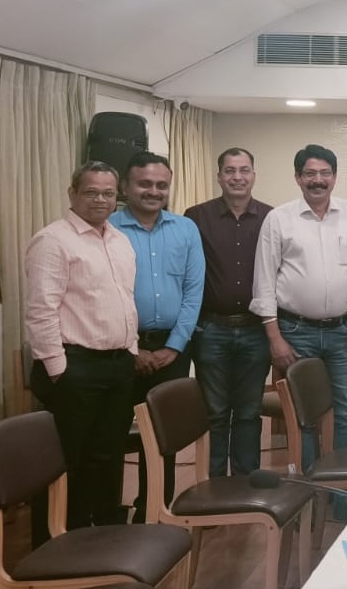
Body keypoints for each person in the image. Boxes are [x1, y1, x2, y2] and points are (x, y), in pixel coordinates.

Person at [25, 161, 138, 532]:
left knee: (107, 456)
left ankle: (102, 534)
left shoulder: (119, 240)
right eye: (91, 192)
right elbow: (41, 311)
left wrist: (132, 349)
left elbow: (125, 299)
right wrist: (60, 371)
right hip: (74, 367)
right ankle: (55, 540)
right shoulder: (53, 241)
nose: (100, 200)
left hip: (118, 366)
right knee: (64, 461)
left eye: (108, 193)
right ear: (72, 193)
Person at [251, 144, 347, 469]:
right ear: (298, 177)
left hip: (345, 331)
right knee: (303, 414)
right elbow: (264, 281)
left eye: (324, 173)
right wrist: (275, 338)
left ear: (334, 177)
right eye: (310, 173)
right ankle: (308, 485)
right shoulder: (278, 219)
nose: (317, 180)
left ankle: (344, 487)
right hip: (296, 332)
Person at [110, 151, 204, 524]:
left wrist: (174, 346)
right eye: (144, 184)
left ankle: (154, 512)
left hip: (172, 349)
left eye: (161, 185)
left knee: (164, 437)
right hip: (119, 350)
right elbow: (104, 295)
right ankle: (108, 515)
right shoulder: (108, 228)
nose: (153, 191)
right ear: (125, 186)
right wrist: (132, 349)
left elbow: (193, 292)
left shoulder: (186, 229)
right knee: (112, 434)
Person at [184, 147, 272, 478]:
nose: (237, 177)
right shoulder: (196, 217)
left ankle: (246, 483)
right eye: (230, 170)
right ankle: (214, 485)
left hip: (255, 329)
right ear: (219, 176)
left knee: (249, 411)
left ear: (254, 175)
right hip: (211, 329)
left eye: (244, 170)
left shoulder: (271, 217)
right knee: (215, 412)